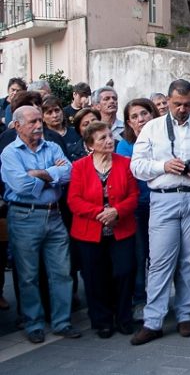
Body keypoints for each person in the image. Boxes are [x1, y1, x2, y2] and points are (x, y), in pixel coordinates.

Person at [130, 79, 190, 345]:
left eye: (187, 105)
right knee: (160, 261)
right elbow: (136, 166)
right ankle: (153, 321)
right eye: (177, 104)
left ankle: (185, 315)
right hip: (163, 198)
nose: (182, 109)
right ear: (168, 102)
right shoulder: (152, 128)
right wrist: (164, 166)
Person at [1, 106, 80, 343]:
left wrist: (39, 173)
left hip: (54, 215)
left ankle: (62, 322)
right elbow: (20, 186)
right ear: (17, 126)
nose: (39, 126)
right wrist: (52, 174)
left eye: (39, 121)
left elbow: (70, 173)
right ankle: (33, 323)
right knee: (28, 275)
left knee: (62, 272)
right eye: (33, 122)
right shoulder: (9, 154)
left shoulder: (53, 146)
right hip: (24, 216)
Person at [67, 121, 139, 338]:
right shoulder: (79, 166)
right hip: (89, 230)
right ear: (90, 144)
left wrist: (116, 211)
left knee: (124, 272)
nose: (109, 141)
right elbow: (74, 200)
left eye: (110, 136)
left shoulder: (124, 163)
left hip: (121, 228)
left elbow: (134, 196)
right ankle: (102, 321)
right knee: (95, 276)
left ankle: (124, 317)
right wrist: (101, 213)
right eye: (102, 138)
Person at [115, 98, 159, 321]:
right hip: (138, 208)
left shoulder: (163, 138)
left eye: (144, 113)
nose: (141, 119)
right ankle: (140, 299)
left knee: (160, 256)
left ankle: (159, 299)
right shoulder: (124, 145)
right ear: (129, 123)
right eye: (135, 116)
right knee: (140, 254)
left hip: (162, 204)